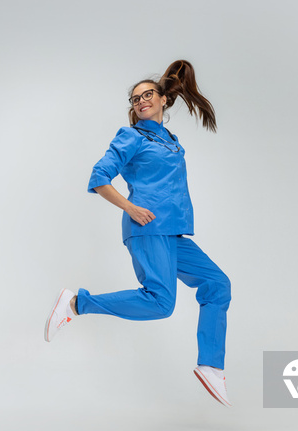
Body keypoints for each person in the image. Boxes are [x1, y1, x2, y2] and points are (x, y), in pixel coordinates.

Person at [44, 60, 232, 406]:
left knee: (218, 284)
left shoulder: (171, 141)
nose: (141, 101)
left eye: (147, 95)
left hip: (173, 233)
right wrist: (129, 208)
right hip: (148, 229)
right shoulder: (130, 136)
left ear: (163, 100)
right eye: (135, 99)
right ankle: (76, 303)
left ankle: (211, 365)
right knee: (161, 302)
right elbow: (99, 176)